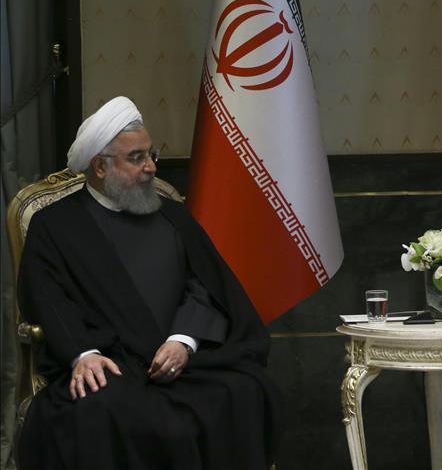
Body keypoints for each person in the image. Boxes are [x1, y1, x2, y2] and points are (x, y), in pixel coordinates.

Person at [17, 96, 285, 469]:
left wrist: (184, 341)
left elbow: (207, 288)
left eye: (151, 154)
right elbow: (48, 300)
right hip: (111, 364)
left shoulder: (174, 216)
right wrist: (83, 354)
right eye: (137, 158)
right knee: (102, 414)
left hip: (183, 364)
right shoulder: (56, 226)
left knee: (244, 390)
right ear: (100, 166)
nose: (151, 167)